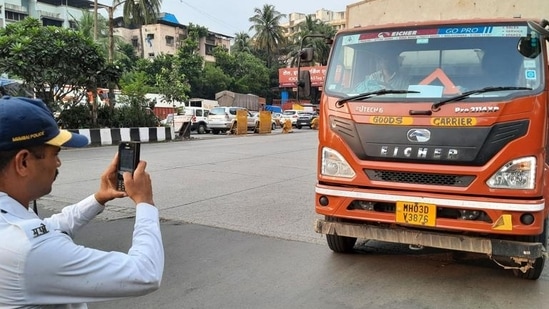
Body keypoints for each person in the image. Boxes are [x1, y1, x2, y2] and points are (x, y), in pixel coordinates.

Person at [0, 96, 164, 308]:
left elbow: (51, 228)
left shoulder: (11, 224)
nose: (58, 162)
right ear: (23, 162)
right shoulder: (28, 250)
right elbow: (144, 273)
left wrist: (99, 197)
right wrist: (145, 203)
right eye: (55, 154)